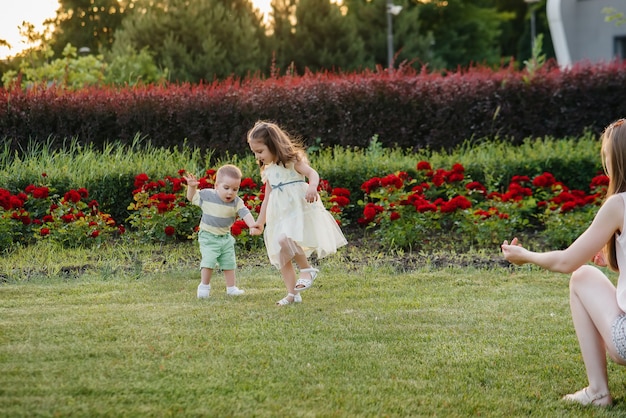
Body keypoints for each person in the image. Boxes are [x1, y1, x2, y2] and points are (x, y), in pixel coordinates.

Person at [501, 118, 626, 407]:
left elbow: (567, 261)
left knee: (581, 276)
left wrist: (525, 256)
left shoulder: (619, 204)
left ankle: (598, 391)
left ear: (615, 162)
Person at [247, 120, 348, 306]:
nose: (257, 156)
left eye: (260, 151)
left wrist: (312, 187)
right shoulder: (268, 171)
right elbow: (267, 198)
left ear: (273, 145)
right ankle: (293, 294)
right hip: (279, 215)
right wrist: (260, 222)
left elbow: (313, 173)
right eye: (254, 152)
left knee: (285, 239)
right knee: (282, 253)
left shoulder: (292, 161)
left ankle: (307, 269)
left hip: (298, 210)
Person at [184, 164, 260, 299]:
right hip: (208, 236)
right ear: (216, 186)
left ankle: (231, 288)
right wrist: (191, 187)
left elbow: (245, 213)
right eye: (226, 188)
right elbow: (191, 198)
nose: (230, 192)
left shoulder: (236, 202)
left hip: (225, 237)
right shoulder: (207, 195)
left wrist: (252, 225)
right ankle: (204, 287)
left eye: (235, 189)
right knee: (209, 260)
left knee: (229, 262)